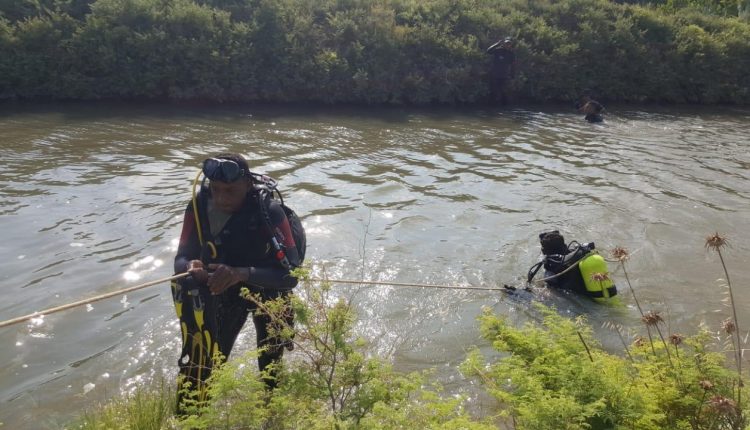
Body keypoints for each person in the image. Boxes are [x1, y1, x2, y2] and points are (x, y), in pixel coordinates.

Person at [171, 153, 301, 410]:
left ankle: (271, 413)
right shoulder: (198, 206)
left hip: (269, 286)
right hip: (222, 285)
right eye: (216, 190)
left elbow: (290, 275)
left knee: (270, 361)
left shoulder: (268, 211)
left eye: (230, 191)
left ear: (248, 186)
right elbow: (182, 256)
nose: (221, 199)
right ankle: (194, 417)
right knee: (209, 360)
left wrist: (241, 273)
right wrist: (189, 266)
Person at [486, 37, 517, 105]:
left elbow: (513, 65)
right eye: (506, 43)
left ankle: (502, 110)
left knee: (503, 93)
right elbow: (488, 51)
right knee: (495, 93)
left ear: (511, 45)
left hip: (504, 76)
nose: (508, 45)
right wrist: (497, 44)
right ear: (504, 43)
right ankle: (493, 109)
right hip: (494, 76)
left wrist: (513, 76)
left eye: (509, 44)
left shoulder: (511, 54)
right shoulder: (498, 50)